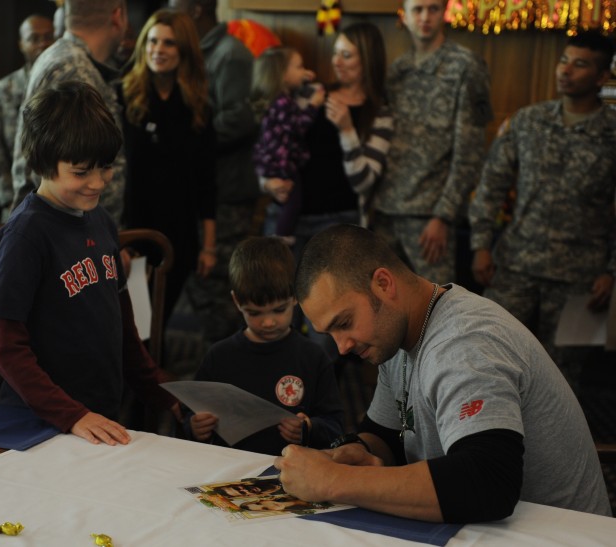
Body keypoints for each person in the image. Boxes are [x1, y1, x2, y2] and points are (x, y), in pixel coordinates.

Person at [274, 224, 610, 522]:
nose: (342, 347)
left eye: (344, 323)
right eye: (329, 333)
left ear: (383, 284)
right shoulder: (395, 337)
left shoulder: (464, 341)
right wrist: (354, 451)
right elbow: (387, 434)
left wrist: (332, 480)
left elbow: (489, 485)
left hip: (561, 535)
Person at [0, 80, 180, 446]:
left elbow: (122, 325)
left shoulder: (101, 220)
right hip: (37, 424)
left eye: (104, 168)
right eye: (80, 171)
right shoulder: (27, 234)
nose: (97, 183)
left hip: (94, 416)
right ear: (43, 160)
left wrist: (162, 391)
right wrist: (70, 413)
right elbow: (1, 343)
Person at [468, 31, 616, 391]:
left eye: (580, 64)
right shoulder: (528, 120)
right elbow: (492, 183)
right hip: (517, 263)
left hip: (580, 275)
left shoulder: (612, 131)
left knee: (564, 377)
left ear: (601, 77)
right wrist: (481, 244)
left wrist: (612, 270)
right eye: (563, 60)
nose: (565, 70)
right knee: (488, 351)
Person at [261, 22, 393, 357]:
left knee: (326, 321)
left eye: (347, 54)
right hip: (290, 219)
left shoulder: (380, 114)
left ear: (367, 60)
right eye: (335, 52)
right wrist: (267, 182)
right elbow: (276, 141)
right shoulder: (313, 93)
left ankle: (320, 393)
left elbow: (364, 181)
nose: (337, 61)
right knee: (276, 308)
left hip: (338, 225)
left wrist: (348, 130)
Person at [186, 236, 344, 456]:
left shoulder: (313, 357)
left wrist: (308, 429)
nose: (268, 322)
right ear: (236, 302)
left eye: (279, 310)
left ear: (295, 296)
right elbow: (189, 419)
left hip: (292, 472)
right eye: (254, 313)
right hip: (229, 471)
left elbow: (336, 428)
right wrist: (195, 427)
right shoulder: (219, 357)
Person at [370, 0, 492, 285]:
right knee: (386, 308)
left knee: (435, 307)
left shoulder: (465, 66)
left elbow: (470, 152)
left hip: (430, 216)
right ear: (406, 15)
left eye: (433, 9)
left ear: (444, 13)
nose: (425, 17)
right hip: (387, 210)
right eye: (418, 9)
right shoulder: (398, 70)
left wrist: (444, 216)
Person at [169, 0, 261, 342]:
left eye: (174, 4)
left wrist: (184, 137)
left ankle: (222, 376)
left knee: (218, 289)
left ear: (194, 9)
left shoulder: (230, 54)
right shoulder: (193, 51)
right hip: (200, 191)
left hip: (227, 194)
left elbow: (241, 119)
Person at [120, 8, 217, 326]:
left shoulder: (198, 107)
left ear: (184, 50)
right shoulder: (124, 96)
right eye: (152, 41)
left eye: (168, 43)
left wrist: (209, 246)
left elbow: (206, 180)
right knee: (136, 325)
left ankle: (152, 375)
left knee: (158, 320)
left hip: (179, 234)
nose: (157, 49)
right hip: (131, 232)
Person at [11, 0, 129, 226]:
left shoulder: (64, 57)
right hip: (66, 236)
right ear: (117, 16)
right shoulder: (75, 70)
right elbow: (56, 165)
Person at [0, 15, 54, 219]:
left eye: (49, 36)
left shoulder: (63, 87)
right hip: (16, 201)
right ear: (21, 44)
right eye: (34, 38)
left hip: (59, 199)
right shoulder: (1, 91)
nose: (43, 44)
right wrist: (9, 198)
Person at [251, 46, 325, 242]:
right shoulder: (283, 102)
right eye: (299, 67)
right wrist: (314, 105)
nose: (304, 71)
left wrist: (303, 77)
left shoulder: (281, 99)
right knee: (293, 201)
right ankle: (282, 238)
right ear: (283, 75)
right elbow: (298, 126)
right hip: (281, 160)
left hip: (274, 157)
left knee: (287, 198)